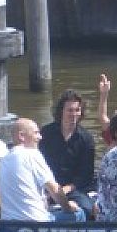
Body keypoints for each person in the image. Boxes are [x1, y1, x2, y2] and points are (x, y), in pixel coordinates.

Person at [0, 118, 86, 222]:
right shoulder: (32, 154)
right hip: (36, 222)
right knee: (79, 213)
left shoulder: (3, 160)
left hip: (10, 223)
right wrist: (68, 207)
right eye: (36, 133)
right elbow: (55, 190)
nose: (40, 137)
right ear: (21, 136)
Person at [39, 90, 96, 218]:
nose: (74, 114)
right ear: (61, 111)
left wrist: (64, 190)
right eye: (70, 110)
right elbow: (38, 164)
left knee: (88, 210)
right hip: (47, 186)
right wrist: (51, 190)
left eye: (77, 110)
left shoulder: (86, 138)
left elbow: (85, 175)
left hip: (73, 189)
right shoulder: (46, 133)